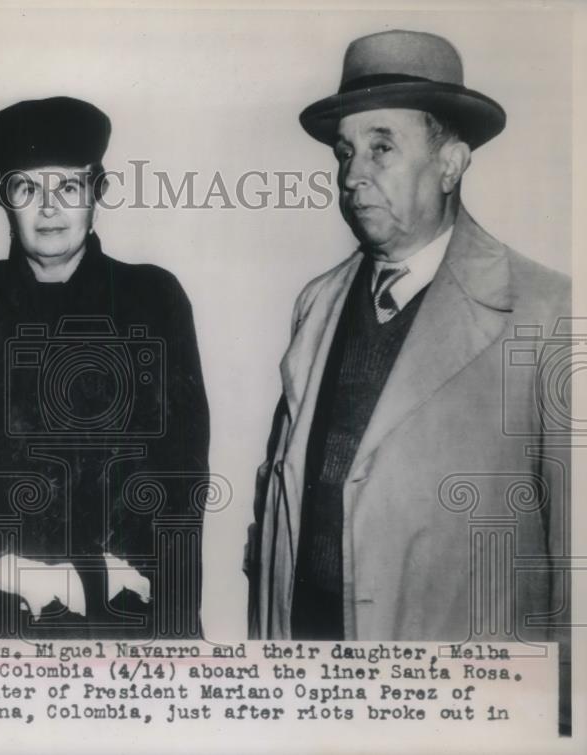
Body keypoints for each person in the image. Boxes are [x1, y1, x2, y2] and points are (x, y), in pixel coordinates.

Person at [245, 30, 570, 729]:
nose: (352, 174)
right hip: (309, 694)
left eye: (382, 147)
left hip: (455, 714)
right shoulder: (317, 303)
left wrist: (560, 723)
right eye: (345, 152)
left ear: (451, 162)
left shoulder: (544, 311)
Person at [0, 96, 210, 639]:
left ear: (99, 191)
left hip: (125, 605)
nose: (50, 208)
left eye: (68, 187)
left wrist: (121, 583)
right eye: (27, 187)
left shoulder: (151, 299)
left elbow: (179, 467)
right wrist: (6, 568)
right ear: (2, 196)